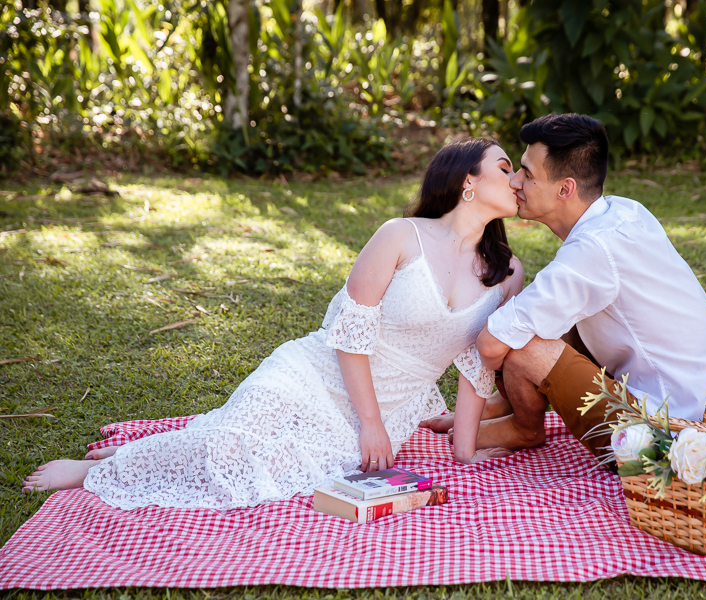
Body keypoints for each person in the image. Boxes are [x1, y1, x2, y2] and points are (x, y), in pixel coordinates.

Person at [22, 138, 523, 510]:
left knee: (263, 468)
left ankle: (150, 450)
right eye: (505, 168)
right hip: (314, 377)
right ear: (467, 182)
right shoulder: (400, 235)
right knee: (226, 444)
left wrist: (463, 448)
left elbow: (477, 363)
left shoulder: (508, 272)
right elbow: (351, 335)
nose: (517, 180)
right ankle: (98, 469)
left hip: (381, 416)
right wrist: (370, 424)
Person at [426, 113, 706, 457]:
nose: (514, 181)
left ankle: (524, 429)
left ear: (565, 189)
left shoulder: (593, 249)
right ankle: (505, 409)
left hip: (670, 436)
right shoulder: (624, 212)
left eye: (526, 173)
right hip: (694, 410)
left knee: (519, 338)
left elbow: (491, 344)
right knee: (540, 322)